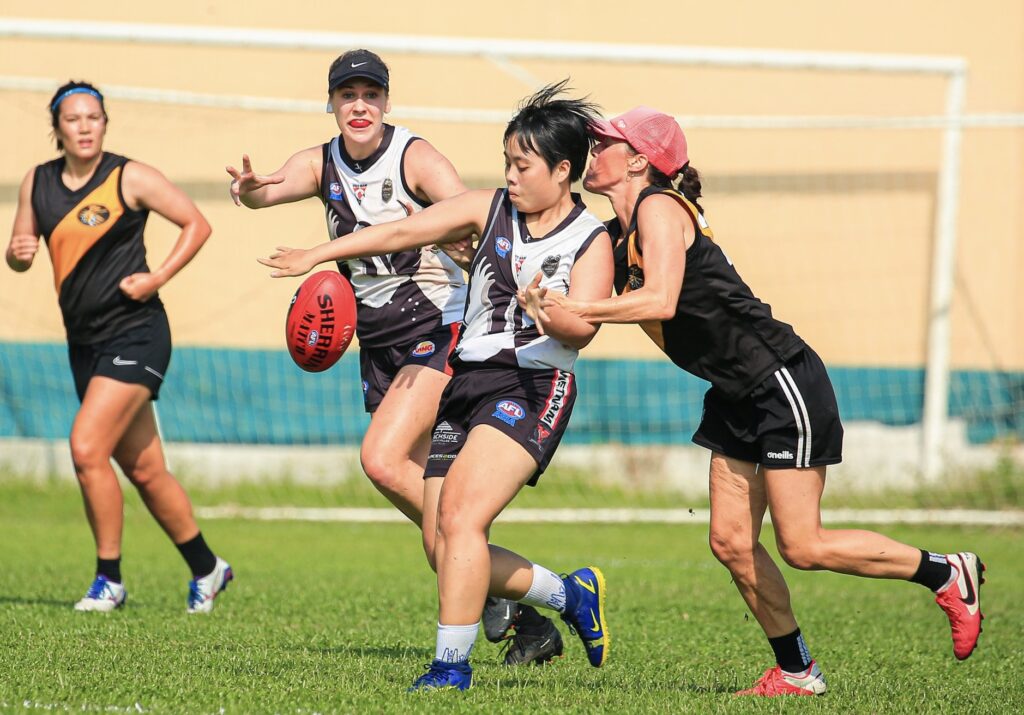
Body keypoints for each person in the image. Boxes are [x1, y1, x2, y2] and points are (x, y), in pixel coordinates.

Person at [522, 106, 986, 696]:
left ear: (638, 161)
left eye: (604, 143)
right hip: (734, 392)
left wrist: (579, 306)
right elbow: (575, 297)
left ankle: (946, 571)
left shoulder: (659, 208)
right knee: (731, 542)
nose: (593, 151)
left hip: (780, 380)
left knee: (803, 545)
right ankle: (798, 672)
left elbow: (660, 300)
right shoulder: (615, 235)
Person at [258, 81, 615, 692]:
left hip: (532, 383)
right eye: (507, 162)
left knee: (460, 517)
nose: (510, 176)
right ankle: (569, 594)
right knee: (441, 543)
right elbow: (401, 232)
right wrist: (317, 254)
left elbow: (583, 329)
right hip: (467, 380)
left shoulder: (590, 238)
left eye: (523, 166)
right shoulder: (488, 208)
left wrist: (548, 314)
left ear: (562, 170)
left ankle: (451, 669)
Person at [6, 81, 233, 613]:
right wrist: (18, 252)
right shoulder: (37, 182)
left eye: (94, 117)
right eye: (73, 119)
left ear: (105, 123)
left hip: (137, 333)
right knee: (145, 470)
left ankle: (109, 579)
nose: (85, 127)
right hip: (84, 344)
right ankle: (208, 568)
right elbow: (19, 255)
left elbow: (197, 224)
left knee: (87, 448)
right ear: (57, 128)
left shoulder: (128, 176)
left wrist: (158, 277)